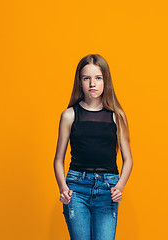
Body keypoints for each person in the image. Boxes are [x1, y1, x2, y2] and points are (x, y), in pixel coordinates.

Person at [53, 54, 133, 240]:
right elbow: (58, 159)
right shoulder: (69, 116)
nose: (92, 84)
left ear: (106, 81)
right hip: (77, 188)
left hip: (108, 189)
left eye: (98, 78)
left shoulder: (117, 116)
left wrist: (119, 186)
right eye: (86, 78)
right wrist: (63, 188)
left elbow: (128, 159)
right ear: (79, 82)